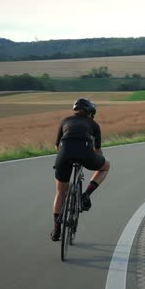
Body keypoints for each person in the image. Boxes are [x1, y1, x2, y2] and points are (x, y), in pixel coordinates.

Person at [50, 98, 111, 241]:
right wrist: (97, 160)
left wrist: (65, 156)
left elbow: (56, 147)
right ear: (90, 113)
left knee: (60, 192)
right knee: (106, 166)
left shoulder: (65, 121)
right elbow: (98, 150)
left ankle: (56, 230)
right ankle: (86, 195)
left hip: (64, 155)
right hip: (86, 154)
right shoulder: (94, 124)